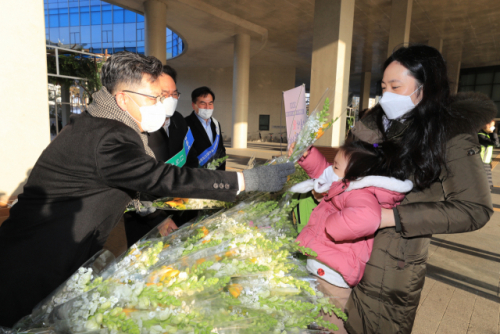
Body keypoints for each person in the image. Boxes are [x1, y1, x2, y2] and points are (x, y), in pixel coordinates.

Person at [0, 51, 295, 328]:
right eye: (154, 98)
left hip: (59, 247)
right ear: (123, 99)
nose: (160, 105)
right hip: (36, 262)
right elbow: (161, 177)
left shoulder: (101, 121)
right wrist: (248, 181)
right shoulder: (108, 137)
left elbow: (98, 184)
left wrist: (137, 200)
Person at [343, 45, 495, 333]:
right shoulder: (372, 124)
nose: (386, 95)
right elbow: (345, 167)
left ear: (425, 88)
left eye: (396, 87)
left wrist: (394, 217)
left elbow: (475, 209)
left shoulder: (450, 135)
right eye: (384, 86)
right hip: (343, 247)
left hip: (391, 265)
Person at [291, 140, 412, 333]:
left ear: (355, 175)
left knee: (331, 323)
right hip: (326, 269)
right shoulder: (345, 184)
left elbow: (369, 217)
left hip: (332, 275)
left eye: (337, 166)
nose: (332, 169)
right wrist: (308, 155)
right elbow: (325, 171)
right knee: (320, 320)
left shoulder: (359, 194)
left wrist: (331, 224)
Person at [123, 65, 198, 247]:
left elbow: (191, 159)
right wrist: (159, 219)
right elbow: (133, 184)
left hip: (181, 212)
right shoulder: (136, 126)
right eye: (164, 94)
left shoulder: (179, 120)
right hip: (146, 221)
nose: (170, 99)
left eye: (174, 94)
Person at [185, 86, 226, 170]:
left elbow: (221, 150)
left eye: (210, 103)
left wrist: (222, 174)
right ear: (194, 105)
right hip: (197, 174)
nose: (207, 107)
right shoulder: (185, 124)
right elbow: (187, 155)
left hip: (216, 174)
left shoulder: (216, 124)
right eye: (203, 103)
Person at [478, 119, 499, 187]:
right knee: (483, 183)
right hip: (480, 162)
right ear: (486, 125)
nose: (492, 128)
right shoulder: (480, 135)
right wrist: (492, 133)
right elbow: (495, 143)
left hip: (486, 162)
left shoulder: (487, 135)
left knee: (487, 184)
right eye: (491, 126)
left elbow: (498, 144)